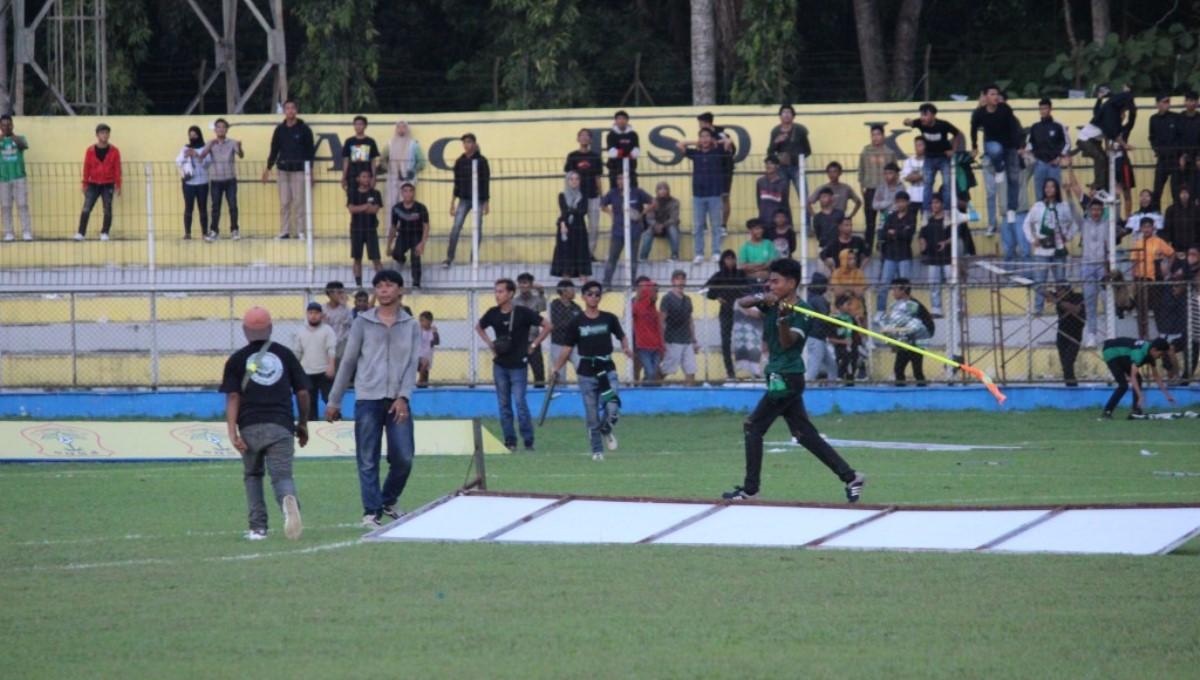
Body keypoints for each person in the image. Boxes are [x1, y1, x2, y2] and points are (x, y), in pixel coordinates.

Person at [722, 258, 865, 502]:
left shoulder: (803, 312)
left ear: (791, 283)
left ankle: (750, 489)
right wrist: (762, 298)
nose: (770, 285)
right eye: (769, 281)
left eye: (775, 282)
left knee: (753, 426)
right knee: (803, 434)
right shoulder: (772, 301)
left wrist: (783, 319)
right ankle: (851, 477)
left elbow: (788, 342)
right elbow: (742, 303)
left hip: (786, 377)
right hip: (779, 375)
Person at [327, 270, 421, 527]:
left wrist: (403, 396)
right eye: (379, 286)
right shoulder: (362, 322)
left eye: (389, 285)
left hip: (398, 401)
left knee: (404, 457)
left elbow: (413, 364)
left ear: (400, 290)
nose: (383, 290)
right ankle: (371, 512)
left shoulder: (411, 325)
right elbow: (347, 361)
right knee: (367, 458)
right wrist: (334, 400)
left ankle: (388, 501)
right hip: (367, 399)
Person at [220, 306, 309, 541]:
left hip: (249, 426)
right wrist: (303, 423)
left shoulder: (237, 360)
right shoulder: (286, 355)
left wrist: (232, 432)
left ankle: (258, 528)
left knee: (253, 475)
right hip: (281, 425)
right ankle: (288, 501)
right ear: (270, 328)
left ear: (244, 331)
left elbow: (232, 396)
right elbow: (302, 392)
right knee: (282, 477)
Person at [551, 281, 633, 460]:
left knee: (612, 406)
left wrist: (626, 348)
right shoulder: (576, 322)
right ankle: (597, 450)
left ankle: (607, 428)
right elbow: (567, 348)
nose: (593, 297)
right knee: (592, 414)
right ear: (583, 297)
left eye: (597, 294)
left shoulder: (609, 318)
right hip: (586, 372)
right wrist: (556, 368)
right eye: (590, 294)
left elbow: (622, 336)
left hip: (607, 369)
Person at [476, 278, 551, 451]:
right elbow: (479, 327)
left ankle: (528, 440)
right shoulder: (492, 313)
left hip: (518, 365)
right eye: (496, 291)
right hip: (500, 365)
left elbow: (547, 325)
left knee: (519, 402)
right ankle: (510, 441)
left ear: (510, 293)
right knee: (504, 404)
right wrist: (490, 344)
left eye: (501, 291)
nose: (497, 295)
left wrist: (533, 345)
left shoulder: (523, 312)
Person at [1023, 178, 1078, 313]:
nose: (1049, 189)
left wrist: (1068, 236)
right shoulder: (1038, 206)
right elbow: (1026, 224)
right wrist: (1033, 239)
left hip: (1058, 250)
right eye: (1046, 187)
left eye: (1052, 187)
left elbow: (1076, 221)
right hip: (1042, 251)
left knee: (1060, 281)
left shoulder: (1063, 206)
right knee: (1039, 282)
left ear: (1056, 189)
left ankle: (1063, 307)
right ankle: (1038, 309)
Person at [263, 100, 315, 240]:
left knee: (299, 202)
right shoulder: (279, 130)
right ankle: (284, 231)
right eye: (287, 108)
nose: (290, 111)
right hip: (283, 170)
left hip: (299, 170)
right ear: (284, 111)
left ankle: (300, 231)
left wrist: (311, 172)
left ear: (296, 110)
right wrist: (268, 168)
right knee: (284, 202)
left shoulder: (304, 129)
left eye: (292, 108)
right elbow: (274, 149)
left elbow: (310, 152)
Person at [971, 85, 1023, 223]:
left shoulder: (1005, 110)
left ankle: (1012, 209)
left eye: (997, 95)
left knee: (1014, 179)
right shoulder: (980, 112)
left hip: (1010, 147)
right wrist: (974, 146)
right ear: (986, 97)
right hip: (992, 146)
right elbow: (973, 128)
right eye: (992, 94)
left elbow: (1014, 128)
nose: (996, 97)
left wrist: (1018, 146)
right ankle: (999, 169)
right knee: (995, 149)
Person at [1076, 85, 1137, 195]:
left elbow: (1113, 133)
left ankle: (1102, 184)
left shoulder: (1112, 111)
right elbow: (1112, 133)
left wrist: (1126, 94)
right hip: (1085, 139)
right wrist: (1125, 145)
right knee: (1101, 158)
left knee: (1104, 159)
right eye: (1124, 110)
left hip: (1093, 140)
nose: (1124, 113)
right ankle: (1099, 185)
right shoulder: (1111, 113)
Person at [903, 103, 962, 216]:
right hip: (929, 158)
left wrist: (953, 150)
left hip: (943, 157)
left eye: (926, 115)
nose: (922, 117)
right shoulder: (920, 123)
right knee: (928, 184)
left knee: (947, 184)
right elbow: (909, 123)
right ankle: (926, 212)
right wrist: (907, 121)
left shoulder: (943, 125)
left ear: (933, 115)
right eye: (921, 114)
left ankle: (947, 211)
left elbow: (957, 134)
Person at [677, 128, 726, 263]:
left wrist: (714, 141)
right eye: (702, 137)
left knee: (715, 225)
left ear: (711, 138)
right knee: (698, 225)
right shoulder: (695, 153)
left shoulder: (717, 151)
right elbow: (680, 144)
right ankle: (699, 253)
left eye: (707, 136)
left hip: (714, 194)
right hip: (698, 195)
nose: (705, 139)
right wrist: (697, 142)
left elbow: (728, 141)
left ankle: (716, 252)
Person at [444, 133, 490, 268]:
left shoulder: (482, 161)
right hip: (463, 199)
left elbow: (486, 182)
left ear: (474, 144)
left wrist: (487, 202)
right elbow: (456, 183)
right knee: (456, 228)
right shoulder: (460, 161)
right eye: (464, 142)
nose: (466, 145)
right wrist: (452, 203)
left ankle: (473, 259)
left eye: (469, 142)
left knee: (477, 229)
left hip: (479, 200)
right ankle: (449, 258)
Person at [1100, 337, 1175, 419]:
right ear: (1154, 350)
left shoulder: (1150, 353)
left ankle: (1136, 410)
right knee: (1123, 385)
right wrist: (1140, 396)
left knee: (1138, 379)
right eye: (1160, 354)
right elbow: (1133, 377)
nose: (1160, 357)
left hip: (1123, 354)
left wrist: (1167, 395)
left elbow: (1156, 377)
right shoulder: (1139, 354)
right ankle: (1107, 412)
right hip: (1111, 352)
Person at [600, 172, 652, 287]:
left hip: (634, 231)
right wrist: (611, 213)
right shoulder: (613, 193)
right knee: (612, 258)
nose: (620, 181)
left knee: (633, 259)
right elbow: (602, 204)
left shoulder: (637, 192)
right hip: (618, 231)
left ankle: (631, 284)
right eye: (619, 178)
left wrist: (642, 214)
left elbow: (653, 202)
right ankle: (606, 283)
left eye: (623, 178)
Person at [879, 278, 933, 386]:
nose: (893, 292)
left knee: (916, 369)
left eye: (895, 289)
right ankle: (901, 394)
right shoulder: (900, 305)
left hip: (916, 340)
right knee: (899, 369)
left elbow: (911, 325)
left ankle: (922, 393)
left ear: (903, 290)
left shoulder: (911, 305)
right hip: (906, 340)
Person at [705, 250, 749, 381]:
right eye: (727, 258)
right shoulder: (718, 276)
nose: (730, 261)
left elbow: (748, 288)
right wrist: (717, 296)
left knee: (745, 339)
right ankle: (730, 372)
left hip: (741, 311)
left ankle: (750, 371)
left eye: (732, 258)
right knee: (726, 342)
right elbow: (706, 290)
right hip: (725, 312)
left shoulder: (741, 274)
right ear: (723, 261)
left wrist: (742, 300)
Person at [1130, 216, 1176, 338]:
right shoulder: (1138, 243)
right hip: (1140, 280)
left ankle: (1161, 334)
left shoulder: (1158, 242)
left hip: (1155, 280)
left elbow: (1172, 254)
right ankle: (1142, 336)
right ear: (1140, 229)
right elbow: (1133, 263)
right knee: (1141, 311)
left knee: (1157, 308)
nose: (1146, 229)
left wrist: (1167, 269)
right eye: (1144, 227)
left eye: (1148, 226)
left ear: (1153, 228)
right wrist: (1134, 281)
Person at [874, 190, 916, 318]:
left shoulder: (911, 217)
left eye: (903, 201)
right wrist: (897, 233)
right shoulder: (891, 216)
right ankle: (880, 311)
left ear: (907, 203)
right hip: (890, 255)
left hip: (904, 256)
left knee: (904, 286)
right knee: (884, 285)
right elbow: (882, 233)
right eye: (898, 202)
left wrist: (893, 233)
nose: (900, 204)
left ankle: (904, 311)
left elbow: (908, 235)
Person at [76, 123, 121, 241]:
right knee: (86, 208)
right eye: (102, 133)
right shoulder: (90, 151)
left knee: (107, 208)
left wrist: (118, 184)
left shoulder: (114, 151)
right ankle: (81, 233)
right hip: (93, 183)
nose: (105, 135)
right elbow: (86, 168)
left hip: (108, 183)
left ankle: (105, 232)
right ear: (97, 135)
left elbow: (117, 169)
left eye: (106, 133)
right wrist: (85, 183)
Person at [201, 118, 243, 240]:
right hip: (216, 180)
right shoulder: (211, 143)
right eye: (218, 127)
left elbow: (241, 155)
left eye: (223, 127)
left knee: (233, 206)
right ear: (215, 129)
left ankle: (234, 230)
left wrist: (240, 147)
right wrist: (209, 145)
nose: (220, 129)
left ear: (227, 129)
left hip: (230, 179)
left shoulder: (232, 142)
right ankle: (214, 231)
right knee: (215, 207)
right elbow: (202, 157)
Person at [918, 195, 960, 317]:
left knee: (952, 283)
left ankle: (956, 307)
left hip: (947, 257)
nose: (934, 205)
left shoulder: (948, 220)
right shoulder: (928, 221)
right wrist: (922, 243)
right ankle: (936, 309)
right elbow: (921, 235)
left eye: (937, 202)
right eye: (932, 203)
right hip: (932, 257)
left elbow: (955, 236)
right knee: (933, 285)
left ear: (941, 204)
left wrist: (945, 243)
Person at [293, 302, 337, 418]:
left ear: (321, 315)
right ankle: (312, 429)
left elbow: (331, 350)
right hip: (307, 373)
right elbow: (297, 353)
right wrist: (294, 371)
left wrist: (331, 366)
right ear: (307, 315)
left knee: (330, 400)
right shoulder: (300, 331)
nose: (313, 316)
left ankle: (336, 425)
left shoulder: (328, 330)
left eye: (316, 313)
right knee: (310, 403)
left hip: (324, 372)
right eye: (311, 313)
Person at [564, 129, 604, 253]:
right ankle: (575, 252)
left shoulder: (595, 156)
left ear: (591, 139)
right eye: (581, 135)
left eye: (587, 136)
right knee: (575, 226)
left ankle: (590, 253)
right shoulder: (572, 156)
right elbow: (569, 177)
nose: (584, 138)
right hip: (577, 197)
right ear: (577, 138)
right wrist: (569, 195)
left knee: (594, 227)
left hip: (593, 195)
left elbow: (598, 177)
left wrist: (602, 195)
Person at [859, 124, 898, 253]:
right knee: (870, 222)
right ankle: (867, 248)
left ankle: (883, 246)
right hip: (870, 190)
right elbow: (861, 171)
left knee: (886, 221)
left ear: (883, 135)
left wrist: (893, 190)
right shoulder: (866, 151)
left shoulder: (889, 152)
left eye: (878, 134)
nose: (875, 137)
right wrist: (862, 187)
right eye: (873, 134)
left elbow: (895, 171)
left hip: (885, 191)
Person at [1024, 98, 1071, 203]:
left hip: (1054, 165)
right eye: (1041, 109)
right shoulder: (1035, 127)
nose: (1043, 111)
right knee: (1040, 192)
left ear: (1050, 109)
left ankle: (1056, 216)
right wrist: (1031, 158)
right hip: (1039, 164)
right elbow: (1029, 144)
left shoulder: (1058, 126)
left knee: (1055, 192)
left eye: (1045, 108)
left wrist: (1059, 158)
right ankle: (1041, 217)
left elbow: (1067, 144)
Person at [698, 111, 737, 228]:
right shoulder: (701, 136)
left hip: (724, 170)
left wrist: (719, 143)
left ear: (706, 123)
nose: (699, 126)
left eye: (700, 123)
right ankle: (704, 223)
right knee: (704, 196)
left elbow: (732, 148)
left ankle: (723, 225)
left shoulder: (722, 134)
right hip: (708, 171)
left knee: (724, 197)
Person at [551, 171, 593, 281]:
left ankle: (583, 281)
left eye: (577, 179)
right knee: (566, 253)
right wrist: (564, 221)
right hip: (565, 227)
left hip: (579, 228)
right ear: (567, 181)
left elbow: (582, 211)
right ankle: (566, 282)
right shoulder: (562, 195)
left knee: (581, 252)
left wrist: (570, 211)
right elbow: (564, 211)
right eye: (571, 179)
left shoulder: (583, 196)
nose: (574, 181)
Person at [387, 182, 430, 289]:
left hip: (417, 235)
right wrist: (389, 245)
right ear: (402, 193)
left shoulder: (421, 208)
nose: (408, 194)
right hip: (403, 235)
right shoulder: (396, 208)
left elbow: (426, 226)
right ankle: (401, 259)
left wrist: (422, 243)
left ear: (413, 193)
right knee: (396, 253)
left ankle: (416, 283)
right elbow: (393, 227)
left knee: (415, 258)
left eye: (410, 191)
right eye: (405, 191)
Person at [660, 270, 700, 385]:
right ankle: (653, 386)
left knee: (691, 370)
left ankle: (690, 397)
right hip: (672, 340)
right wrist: (662, 340)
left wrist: (694, 339)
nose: (681, 281)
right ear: (673, 281)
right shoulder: (667, 298)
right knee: (666, 370)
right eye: (678, 278)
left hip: (687, 340)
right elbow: (661, 320)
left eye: (683, 279)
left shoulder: (688, 300)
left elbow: (690, 320)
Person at [768, 104, 812, 204]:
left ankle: (806, 220)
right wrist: (776, 142)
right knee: (782, 197)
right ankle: (785, 220)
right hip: (781, 168)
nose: (786, 115)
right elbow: (770, 152)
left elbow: (808, 150)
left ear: (793, 116)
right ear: (780, 116)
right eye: (784, 112)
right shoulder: (775, 131)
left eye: (789, 112)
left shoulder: (800, 130)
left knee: (804, 196)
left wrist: (794, 158)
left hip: (797, 167)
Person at [347, 169, 383, 287]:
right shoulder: (352, 193)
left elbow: (374, 210)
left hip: (371, 229)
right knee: (357, 258)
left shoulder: (376, 193)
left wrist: (360, 208)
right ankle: (358, 285)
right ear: (358, 179)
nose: (366, 179)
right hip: (356, 229)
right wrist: (366, 206)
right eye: (363, 177)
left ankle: (382, 282)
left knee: (376, 258)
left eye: (368, 177)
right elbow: (351, 209)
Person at [822, 218, 870, 307]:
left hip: (855, 281)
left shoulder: (858, 241)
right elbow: (823, 256)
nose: (850, 228)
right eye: (847, 225)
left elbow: (860, 292)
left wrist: (861, 268)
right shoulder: (834, 243)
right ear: (840, 227)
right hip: (840, 277)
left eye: (851, 225)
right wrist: (832, 269)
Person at [175, 125, 211, 240]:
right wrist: (186, 155)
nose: (193, 137)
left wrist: (197, 155)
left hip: (202, 182)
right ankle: (187, 233)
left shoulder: (205, 148)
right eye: (191, 135)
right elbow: (178, 162)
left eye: (195, 135)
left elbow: (207, 163)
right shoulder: (185, 148)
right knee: (188, 208)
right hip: (189, 183)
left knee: (203, 208)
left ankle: (205, 233)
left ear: (199, 135)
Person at [0, 114, 32, 241]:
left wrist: (11, 135)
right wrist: (2, 136)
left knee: (23, 204)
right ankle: (8, 232)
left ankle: (26, 232)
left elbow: (23, 146)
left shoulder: (19, 138)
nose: (6, 127)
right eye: (3, 125)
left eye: (8, 124)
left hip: (19, 176)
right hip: (3, 178)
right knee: (6, 206)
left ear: (12, 125)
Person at [381, 121, 426, 211]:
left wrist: (412, 171)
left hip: (408, 179)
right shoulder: (389, 144)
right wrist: (390, 170)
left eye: (404, 127)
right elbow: (382, 160)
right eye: (399, 127)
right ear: (396, 129)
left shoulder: (413, 144)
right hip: (392, 180)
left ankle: (405, 225)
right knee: (391, 204)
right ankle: (391, 225)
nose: (401, 130)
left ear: (407, 129)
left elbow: (421, 162)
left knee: (406, 204)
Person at [515, 273, 549, 388]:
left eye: (526, 283)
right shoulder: (514, 302)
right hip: (518, 341)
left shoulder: (537, 300)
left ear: (530, 285)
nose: (523, 286)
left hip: (534, 340)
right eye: (521, 283)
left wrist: (541, 292)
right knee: (518, 371)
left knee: (538, 371)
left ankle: (540, 396)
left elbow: (543, 307)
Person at [1149, 94, 1181, 210]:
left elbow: (1180, 136)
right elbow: (1151, 137)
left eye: (1168, 101)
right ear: (1157, 104)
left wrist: (1180, 155)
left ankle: (1177, 215)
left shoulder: (1176, 117)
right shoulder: (1153, 119)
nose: (1167, 104)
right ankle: (1156, 215)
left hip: (1175, 159)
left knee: (1176, 190)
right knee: (1157, 190)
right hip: (1162, 159)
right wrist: (1156, 149)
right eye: (1164, 102)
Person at [804, 272, 837, 381]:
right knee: (814, 367)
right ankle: (806, 388)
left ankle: (833, 386)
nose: (826, 288)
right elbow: (825, 317)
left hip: (817, 337)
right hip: (816, 337)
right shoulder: (818, 299)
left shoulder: (811, 297)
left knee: (832, 365)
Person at [631, 276, 664, 385]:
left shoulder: (654, 310)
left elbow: (658, 328)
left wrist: (661, 346)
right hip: (643, 345)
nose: (656, 294)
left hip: (655, 345)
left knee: (653, 373)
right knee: (649, 372)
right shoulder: (636, 306)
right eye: (653, 291)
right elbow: (630, 318)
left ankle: (646, 390)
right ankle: (640, 389)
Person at [548, 280, 582, 382]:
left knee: (581, 369)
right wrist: (572, 325)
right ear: (563, 291)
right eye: (572, 289)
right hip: (558, 343)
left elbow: (579, 324)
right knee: (559, 375)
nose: (574, 292)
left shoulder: (576, 307)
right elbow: (556, 324)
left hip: (573, 344)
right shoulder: (554, 305)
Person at [639, 181, 681, 262]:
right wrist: (656, 225)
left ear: (669, 190)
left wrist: (663, 225)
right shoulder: (652, 202)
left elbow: (674, 218)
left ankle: (675, 256)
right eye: (660, 189)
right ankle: (643, 258)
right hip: (655, 227)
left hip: (668, 226)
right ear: (656, 191)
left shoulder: (675, 202)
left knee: (673, 230)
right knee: (647, 233)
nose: (662, 191)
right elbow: (649, 218)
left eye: (665, 188)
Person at [1053, 284, 1085, 386]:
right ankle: (1070, 385)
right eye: (1057, 290)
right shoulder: (1057, 297)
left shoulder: (1078, 297)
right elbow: (1044, 293)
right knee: (1065, 366)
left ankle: (1072, 385)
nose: (1058, 292)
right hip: (1062, 334)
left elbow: (1076, 309)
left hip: (1075, 335)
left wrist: (1058, 301)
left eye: (1060, 290)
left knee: (1068, 363)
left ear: (1067, 290)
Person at [341, 115, 380, 194]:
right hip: (352, 175)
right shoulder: (349, 141)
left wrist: (374, 177)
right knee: (352, 198)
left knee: (368, 198)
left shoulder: (370, 141)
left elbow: (373, 161)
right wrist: (344, 177)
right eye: (356, 124)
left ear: (365, 126)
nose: (358, 126)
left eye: (361, 124)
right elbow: (346, 160)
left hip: (367, 177)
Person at [830, 293, 863, 384]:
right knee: (841, 371)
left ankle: (850, 385)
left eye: (850, 304)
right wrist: (843, 342)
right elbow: (830, 339)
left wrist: (857, 319)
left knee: (851, 373)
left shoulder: (851, 319)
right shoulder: (834, 319)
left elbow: (860, 333)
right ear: (840, 306)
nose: (850, 307)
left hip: (853, 350)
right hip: (841, 352)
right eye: (847, 304)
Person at [606, 110, 640, 188]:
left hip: (630, 169)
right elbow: (612, 153)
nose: (621, 121)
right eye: (619, 118)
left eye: (624, 118)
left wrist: (620, 152)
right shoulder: (611, 135)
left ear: (627, 121)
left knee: (633, 192)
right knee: (615, 194)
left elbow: (636, 152)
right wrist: (628, 153)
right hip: (615, 170)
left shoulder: (633, 134)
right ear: (616, 121)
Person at [322, 281, 353, 363]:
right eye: (339, 292)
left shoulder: (346, 309)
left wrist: (344, 306)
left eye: (342, 292)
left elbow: (350, 324)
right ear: (330, 294)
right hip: (326, 344)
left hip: (342, 344)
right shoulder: (322, 309)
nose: (342, 295)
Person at [757, 155, 791, 227]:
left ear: (777, 166)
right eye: (767, 163)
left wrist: (788, 222)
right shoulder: (760, 182)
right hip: (763, 220)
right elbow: (759, 202)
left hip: (777, 222)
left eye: (771, 163)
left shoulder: (783, 183)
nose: (768, 166)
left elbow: (785, 203)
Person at [1164, 186, 1200, 253]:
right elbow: (1168, 228)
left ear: (1190, 194)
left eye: (1186, 193)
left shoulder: (1196, 210)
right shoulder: (1171, 210)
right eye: (1182, 193)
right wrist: (1168, 242)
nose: (1184, 195)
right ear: (1178, 194)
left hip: (1194, 246)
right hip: (1176, 246)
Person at [739, 217, 776, 283]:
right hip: (751, 278)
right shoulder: (745, 247)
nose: (760, 231)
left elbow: (772, 261)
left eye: (761, 228)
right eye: (757, 229)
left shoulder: (768, 244)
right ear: (750, 231)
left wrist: (753, 266)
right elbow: (742, 266)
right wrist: (759, 265)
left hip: (767, 278)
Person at [1179, 93, 1200, 198]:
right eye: (1188, 100)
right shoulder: (1179, 118)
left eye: (1193, 100)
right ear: (1185, 102)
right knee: (1183, 188)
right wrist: (1182, 155)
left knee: (1197, 188)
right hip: (1181, 158)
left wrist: (1199, 157)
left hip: (1197, 158)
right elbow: (1177, 138)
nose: (1191, 103)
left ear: (1197, 102)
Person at [901, 137, 926, 221]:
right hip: (911, 197)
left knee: (925, 221)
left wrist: (914, 176)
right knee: (910, 222)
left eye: (920, 145)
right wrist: (921, 175)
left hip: (925, 196)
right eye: (916, 145)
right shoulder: (909, 161)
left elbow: (928, 176)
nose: (917, 147)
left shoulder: (929, 161)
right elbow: (906, 177)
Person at [417, 311, 439, 388]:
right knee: (424, 362)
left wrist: (435, 333)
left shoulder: (432, 332)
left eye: (423, 320)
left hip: (427, 358)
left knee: (425, 382)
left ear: (430, 321)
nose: (421, 323)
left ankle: (421, 385)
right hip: (417, 357)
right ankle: (419, 381)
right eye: (420, 321)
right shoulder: (419, 330)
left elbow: (436, 342)